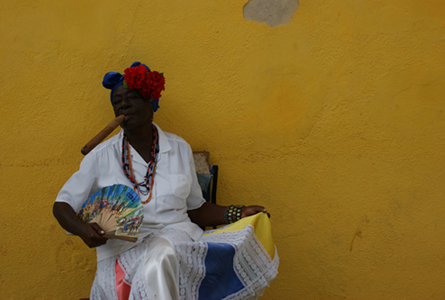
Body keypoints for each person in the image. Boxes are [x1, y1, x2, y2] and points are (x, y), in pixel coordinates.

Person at [53, 62, 277, 300]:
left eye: (132, 97)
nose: (123, 104)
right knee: (157, 260)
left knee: (162, 254)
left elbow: (196, 210)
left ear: (152, 105)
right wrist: (82, 230)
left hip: (179, 244)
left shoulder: (179, 148)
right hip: (125, 251)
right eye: (117, 101)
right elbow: (61, 206)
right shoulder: (100, 156)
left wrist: (237, 213)